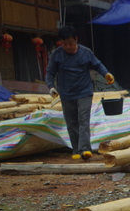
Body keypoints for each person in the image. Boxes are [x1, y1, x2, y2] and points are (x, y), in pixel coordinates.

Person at [46, 25, 114, 161]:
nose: (68, 47)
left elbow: (97, 64)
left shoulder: (86, 52)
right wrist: (51, 87)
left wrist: (106, 73)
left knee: (83, 120)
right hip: (66, 94)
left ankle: (85, 150)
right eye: (64, 44)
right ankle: (76, 150)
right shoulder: (57, 55)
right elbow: (50, 71)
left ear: (76, 40)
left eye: (70, 43)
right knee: (71, 123)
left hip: (84, 92)